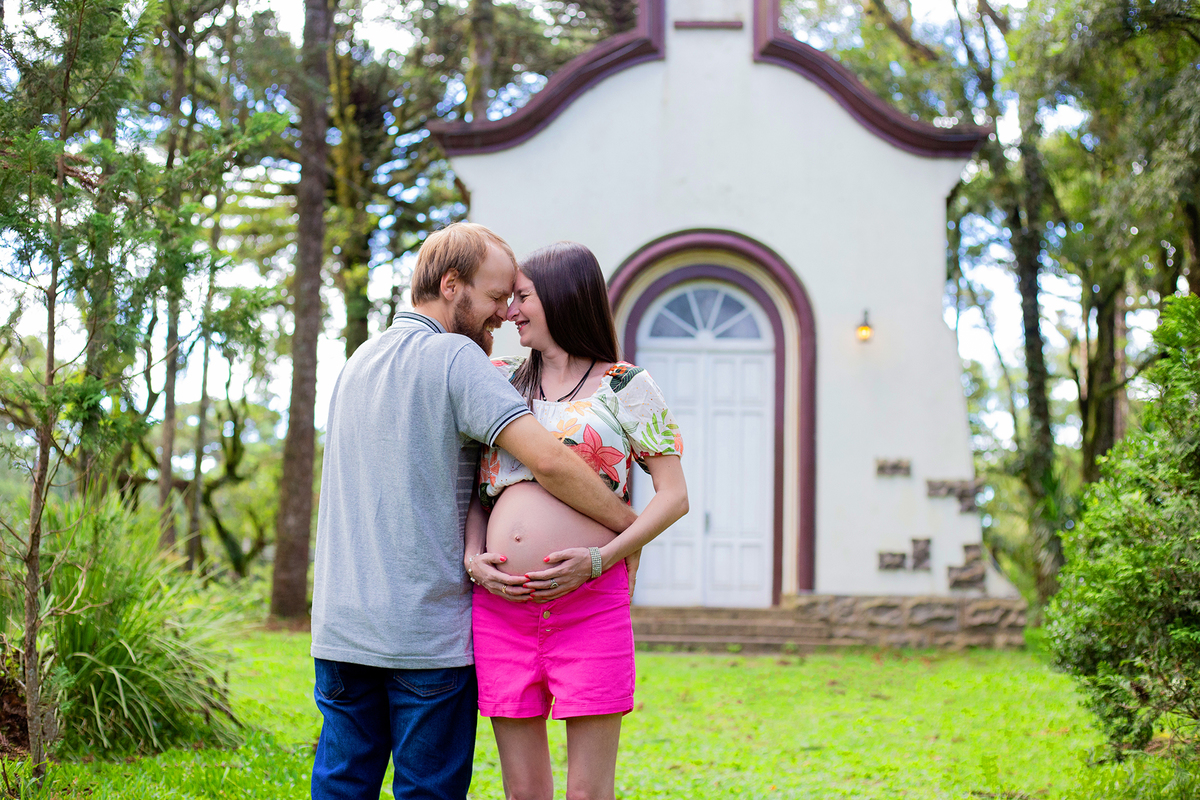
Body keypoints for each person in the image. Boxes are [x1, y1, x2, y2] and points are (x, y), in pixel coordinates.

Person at [308, 223, 638, 800]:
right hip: (424, 636)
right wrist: (630, 530)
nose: (503, 314)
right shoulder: (455, 356)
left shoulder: (359, 360)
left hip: (341, 633)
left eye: (514, 298)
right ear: (452, 285)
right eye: (494, 297)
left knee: (342, 786)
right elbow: (552, 464)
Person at [464, 241, 689, 800]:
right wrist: (473, 556)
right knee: (524, 793)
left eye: (522, 297)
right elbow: (474, 488)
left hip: (591, 605)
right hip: (502, 606)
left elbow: (673, 496)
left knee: (588, 793)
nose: (509, 311)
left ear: (561, 298)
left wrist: (599, 560)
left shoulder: (626, 386)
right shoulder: (498, 379)